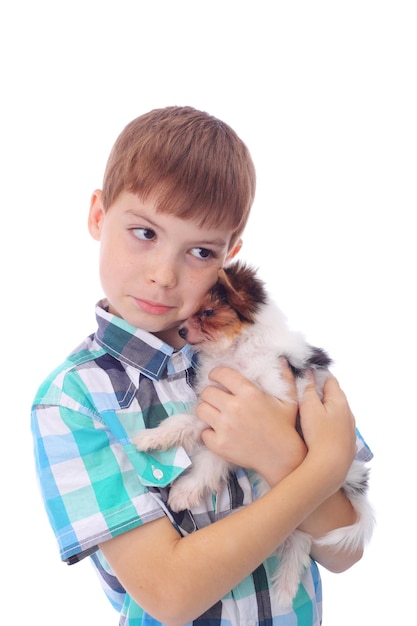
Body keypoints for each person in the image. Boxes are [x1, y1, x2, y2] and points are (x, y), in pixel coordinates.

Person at [31, 106, 373, 626]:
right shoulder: (75, 399)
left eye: (199, 251)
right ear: (98, 215)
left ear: (229, 256)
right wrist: (315, 467)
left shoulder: (271, 361)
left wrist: (279, 455)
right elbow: (171, 598)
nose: (164, 276)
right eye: (145, 233)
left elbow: (344, 552)